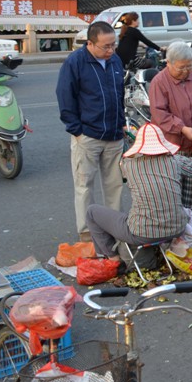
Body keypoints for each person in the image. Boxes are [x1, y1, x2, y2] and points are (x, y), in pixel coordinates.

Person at [86, 122, 192, 263]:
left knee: (91, 212)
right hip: (178, 228)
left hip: (143, 233)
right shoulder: (175, 161)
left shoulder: (128, 165)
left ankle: (112, 259)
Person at [56, 20, 125, 242]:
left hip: (114, 136)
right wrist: (76, 130)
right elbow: (65, 97)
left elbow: (119, 95)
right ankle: (88, 234)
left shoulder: (114, 60)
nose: (111, 50)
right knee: (84, 186)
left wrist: (121, 123)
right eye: (105, 46)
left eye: (113, 45)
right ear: (90, 43)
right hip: (87, 136)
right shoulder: (75, 62)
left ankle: (114, 230)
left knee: (114, 186)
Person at [148, 41, 192, 210]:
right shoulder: (159, 82)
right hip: (172, 148)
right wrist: (182, 128)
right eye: (181, 68)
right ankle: (174, 233)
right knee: (173, 197)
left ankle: (190, 230)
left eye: (189, 66)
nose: (186, 71)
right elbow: (160, 114)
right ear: (168, 63)